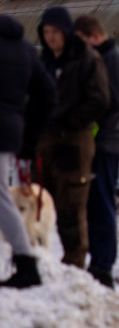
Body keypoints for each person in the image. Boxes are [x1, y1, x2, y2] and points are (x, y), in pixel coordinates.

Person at [36, 6, 110, 269]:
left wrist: (69, 120)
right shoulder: (44, 62)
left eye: (55, 31)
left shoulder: (87, 60)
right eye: (46, 32)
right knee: (39, 205)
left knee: (70, 208)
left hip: (74, 142)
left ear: (66, 32)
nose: (51, 37)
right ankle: (38, 264)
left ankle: (73, 267)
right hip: (45, 143)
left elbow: (100, 99)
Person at [0, 15, 57, 288]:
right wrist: (28, 131)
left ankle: (26, 264)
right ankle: (25, 263)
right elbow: (48, 94)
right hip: (10, 132)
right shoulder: (25, 50)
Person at [75, 14, 119, 289]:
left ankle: (103, 265)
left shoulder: (113, 60)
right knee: (96, 204)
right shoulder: (104, 58)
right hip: (101, 141)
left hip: (105, 144)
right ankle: (100, 262)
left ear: (93, 36)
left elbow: (113, 105)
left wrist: (93, 135)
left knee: (103, 203)